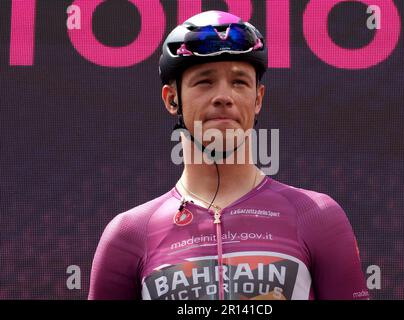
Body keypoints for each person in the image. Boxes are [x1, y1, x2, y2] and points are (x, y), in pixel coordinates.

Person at [88, 10, 369, 300]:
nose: (224, 96)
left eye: (239, 82)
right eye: (204, 81)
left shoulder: (317, 216)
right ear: (172, 99)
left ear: (258, 99)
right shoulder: (128, 234)